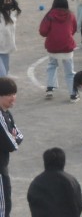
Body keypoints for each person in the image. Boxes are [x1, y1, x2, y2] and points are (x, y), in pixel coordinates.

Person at [39, 0, 79, 102]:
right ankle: (73, 95)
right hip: (67, 47)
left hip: (53, 47)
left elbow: (43, 31)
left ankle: (50, 88)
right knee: (69, 72)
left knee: (52, 65)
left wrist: (52, 35)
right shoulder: (70, 15)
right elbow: (74, 28)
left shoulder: (50, 15)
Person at [27, 147, 82, 217]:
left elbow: (32, 202)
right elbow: (79, 205)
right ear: (63, 162)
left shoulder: (36, 183)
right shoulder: (70, 181)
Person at [0, 77, 22, 217]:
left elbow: (19, 134)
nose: (13, 98)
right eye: (8, 94)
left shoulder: (6, 113)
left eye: (14, 93)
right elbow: (11, 145)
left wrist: (13, 137)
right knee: (3, 207)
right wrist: (12, 138)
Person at [0, 0, 21, 77]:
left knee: (5, 72)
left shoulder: (12, 15)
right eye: (6, 1)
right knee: (2, 75)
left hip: (5, 49)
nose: (8, 2)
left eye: (9, 0)